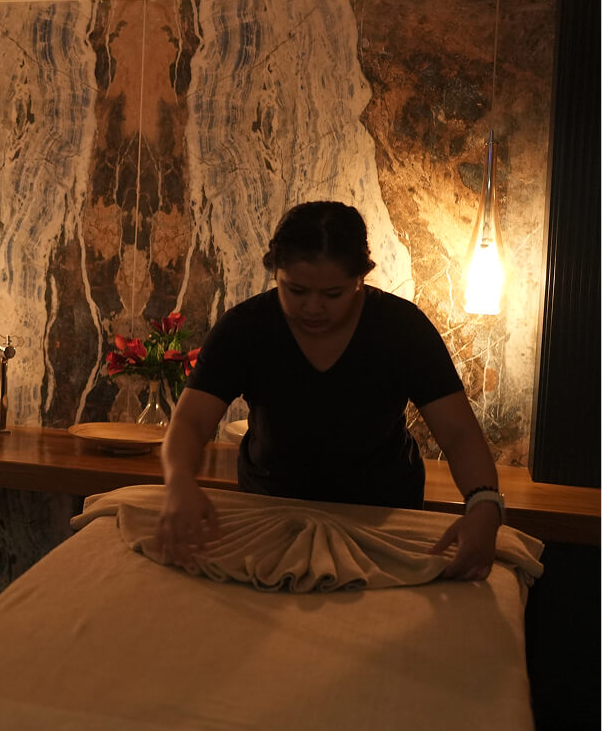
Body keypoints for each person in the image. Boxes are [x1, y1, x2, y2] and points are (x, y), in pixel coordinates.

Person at [159, 201, 503, 581]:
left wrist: (484, 505)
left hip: (382, 516)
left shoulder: (402, 329)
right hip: (271, 511)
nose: (313, 307)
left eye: (333, 294)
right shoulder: (245, 328)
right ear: (275, 272)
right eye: (296, 290)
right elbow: (191, 422)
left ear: (361, 278)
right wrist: (179, 482)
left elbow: (458, 433)